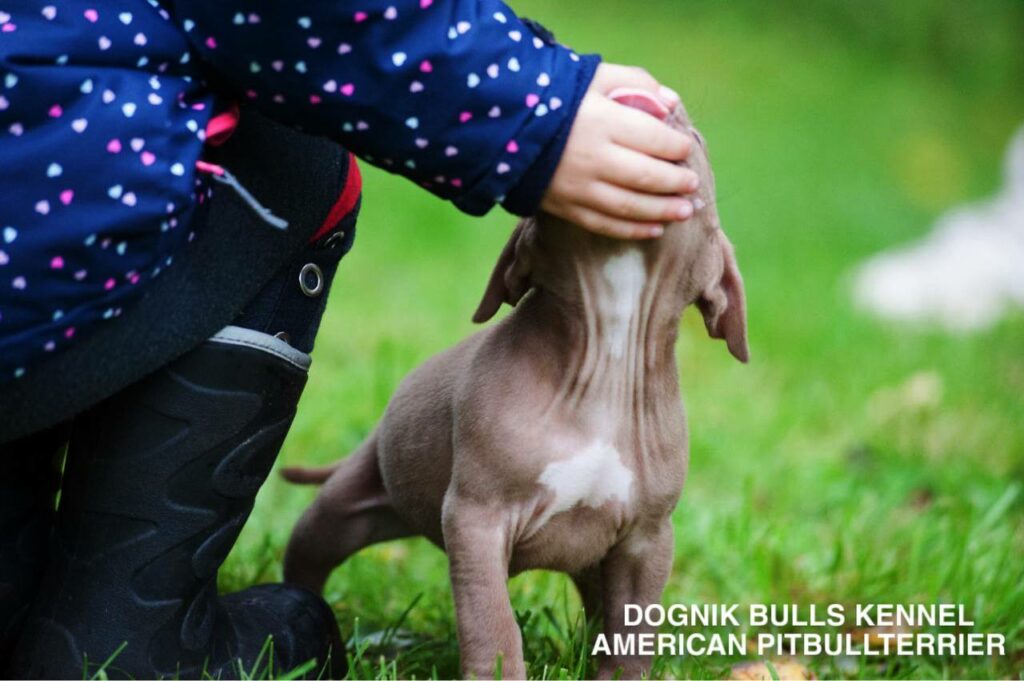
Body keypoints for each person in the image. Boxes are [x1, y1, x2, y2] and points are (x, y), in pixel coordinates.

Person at [0, 1, 698, 677]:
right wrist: (539, 103)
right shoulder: (498, 398)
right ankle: (137, 632)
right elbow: (301, 15)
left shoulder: (662, 438)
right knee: (289, 150)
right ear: (517, 265)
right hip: (69, 228)